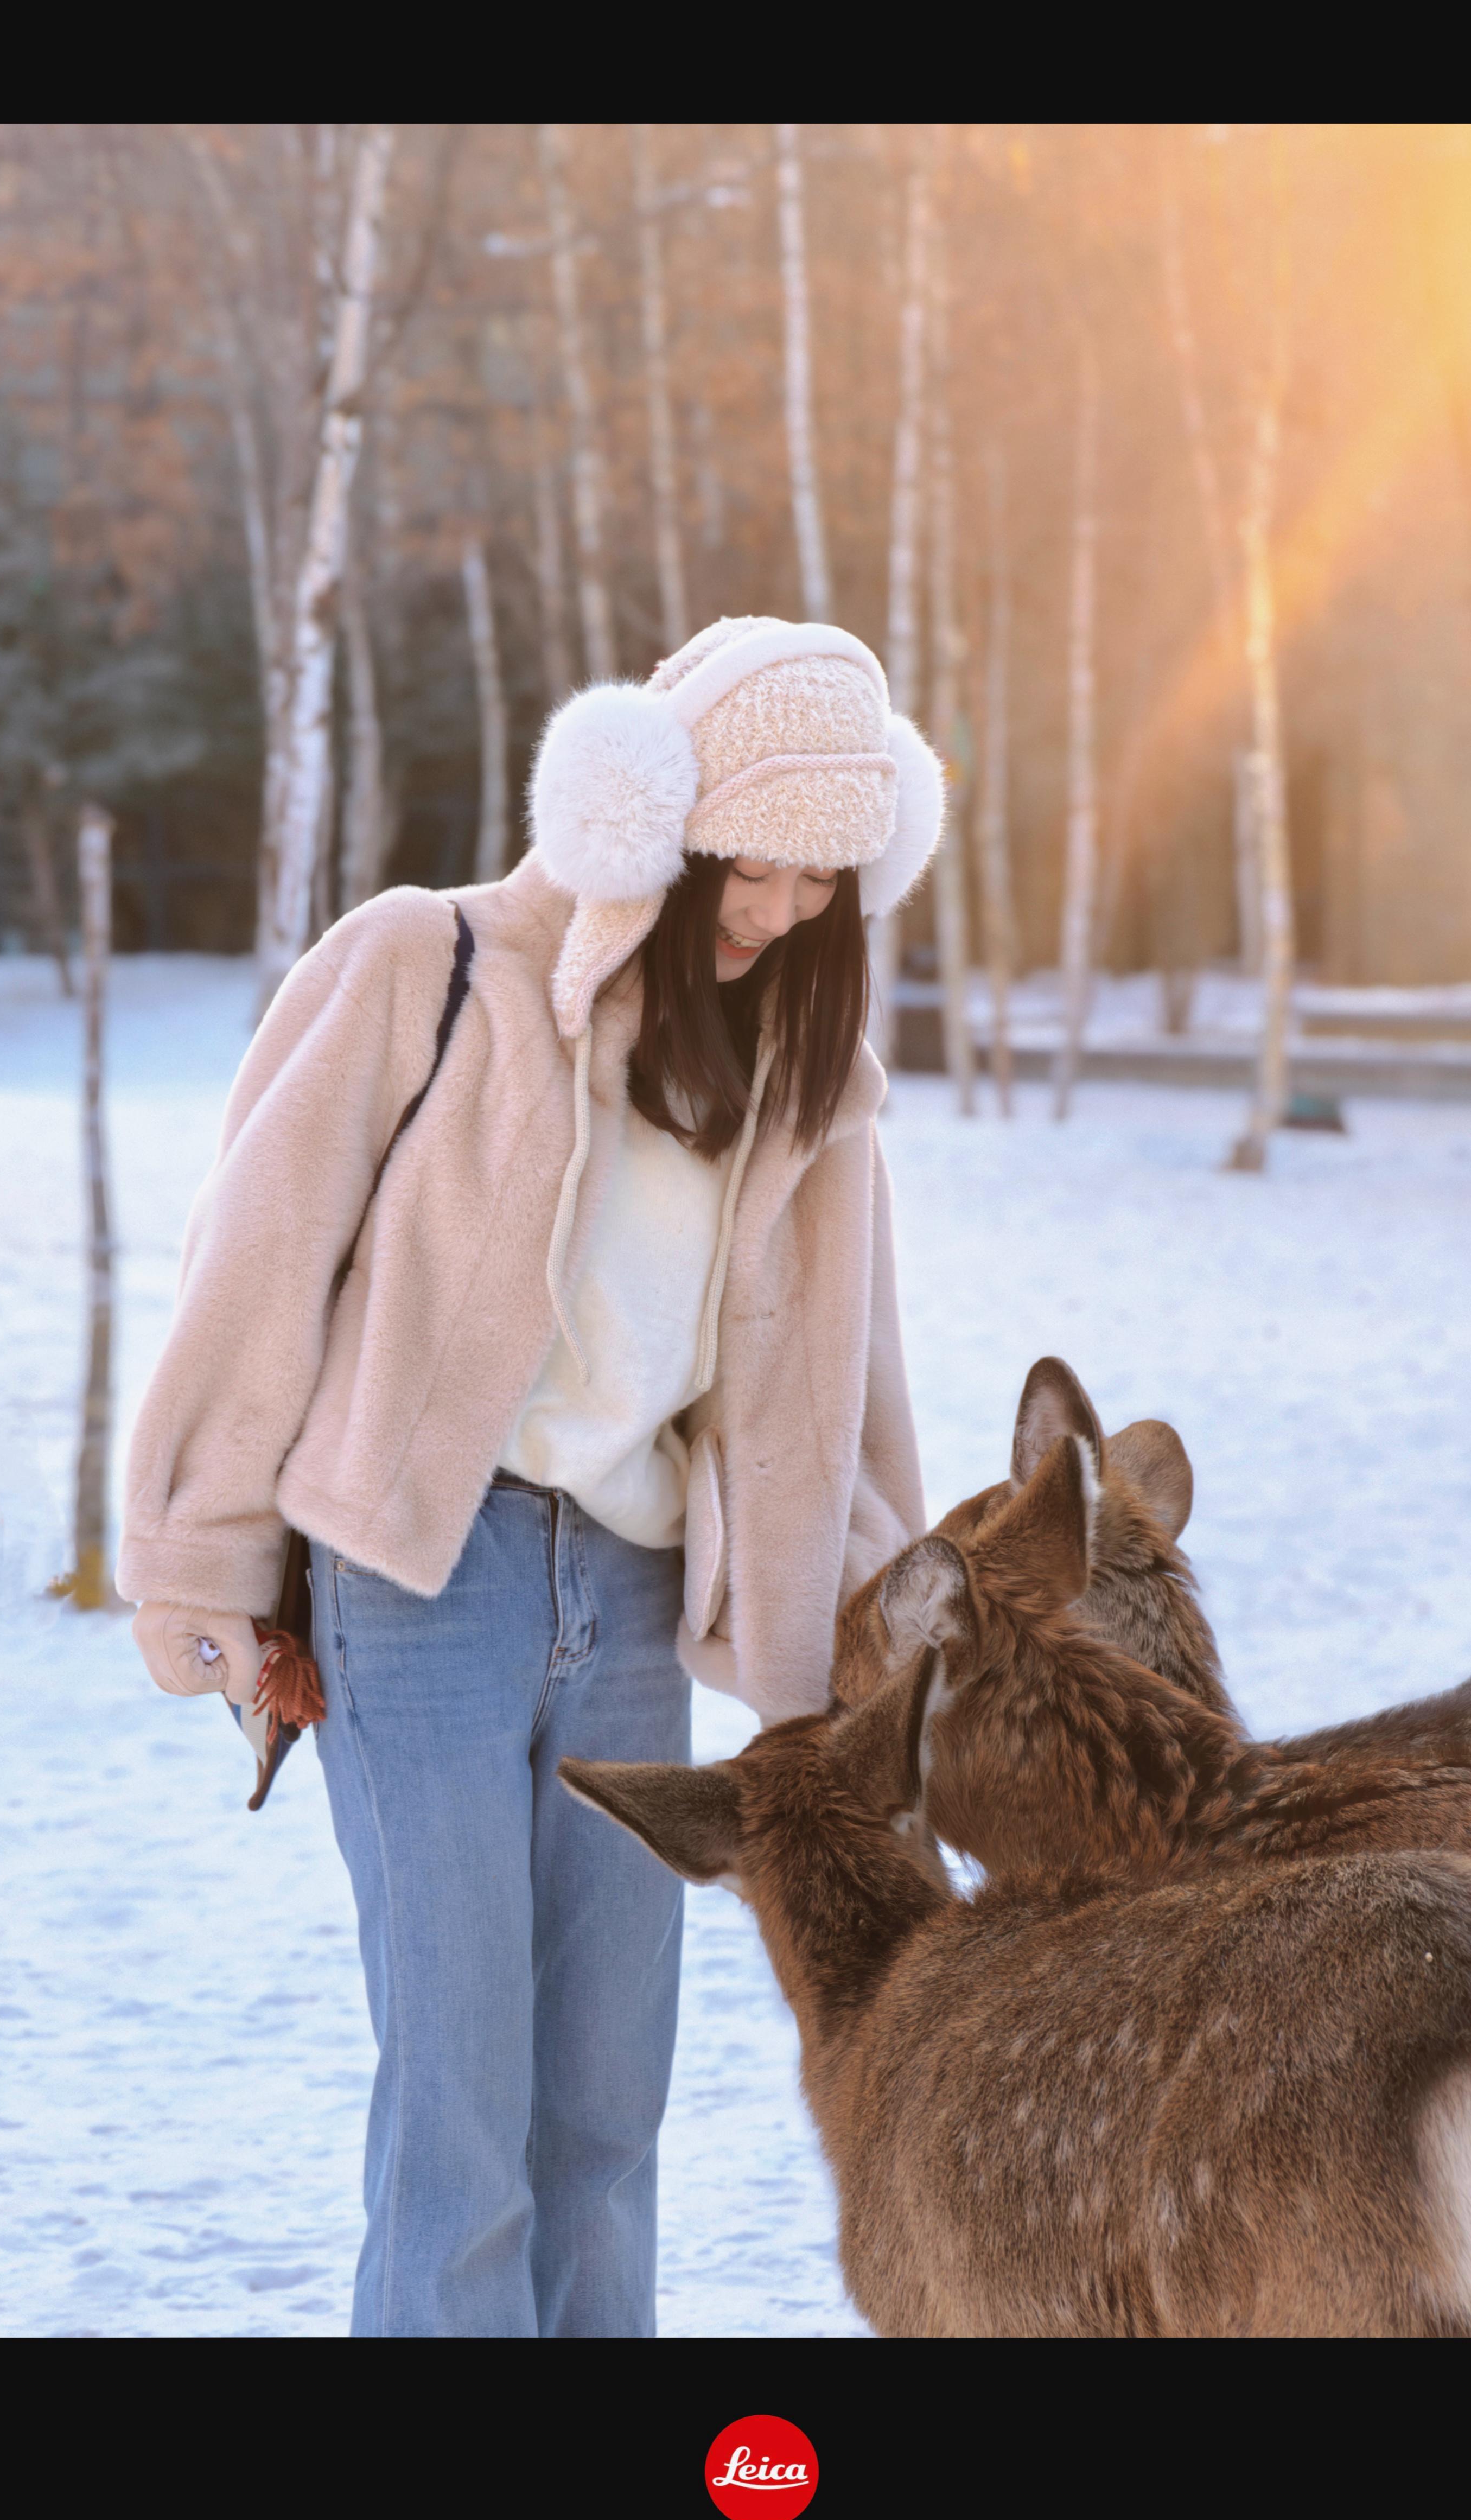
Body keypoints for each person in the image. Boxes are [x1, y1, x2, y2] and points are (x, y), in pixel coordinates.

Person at [119, 616, 940, 2336]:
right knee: (461, 2111)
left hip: (634, 1602)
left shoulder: (810, 1082)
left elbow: (837, 1389)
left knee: (603, 2117)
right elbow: (258, 1260)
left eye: (823, 879)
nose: (783, 907)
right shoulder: (436, 967)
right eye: (755, 861)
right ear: (657, 814)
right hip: (424, 1588)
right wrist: (202, 1551)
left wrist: (885, 1619)